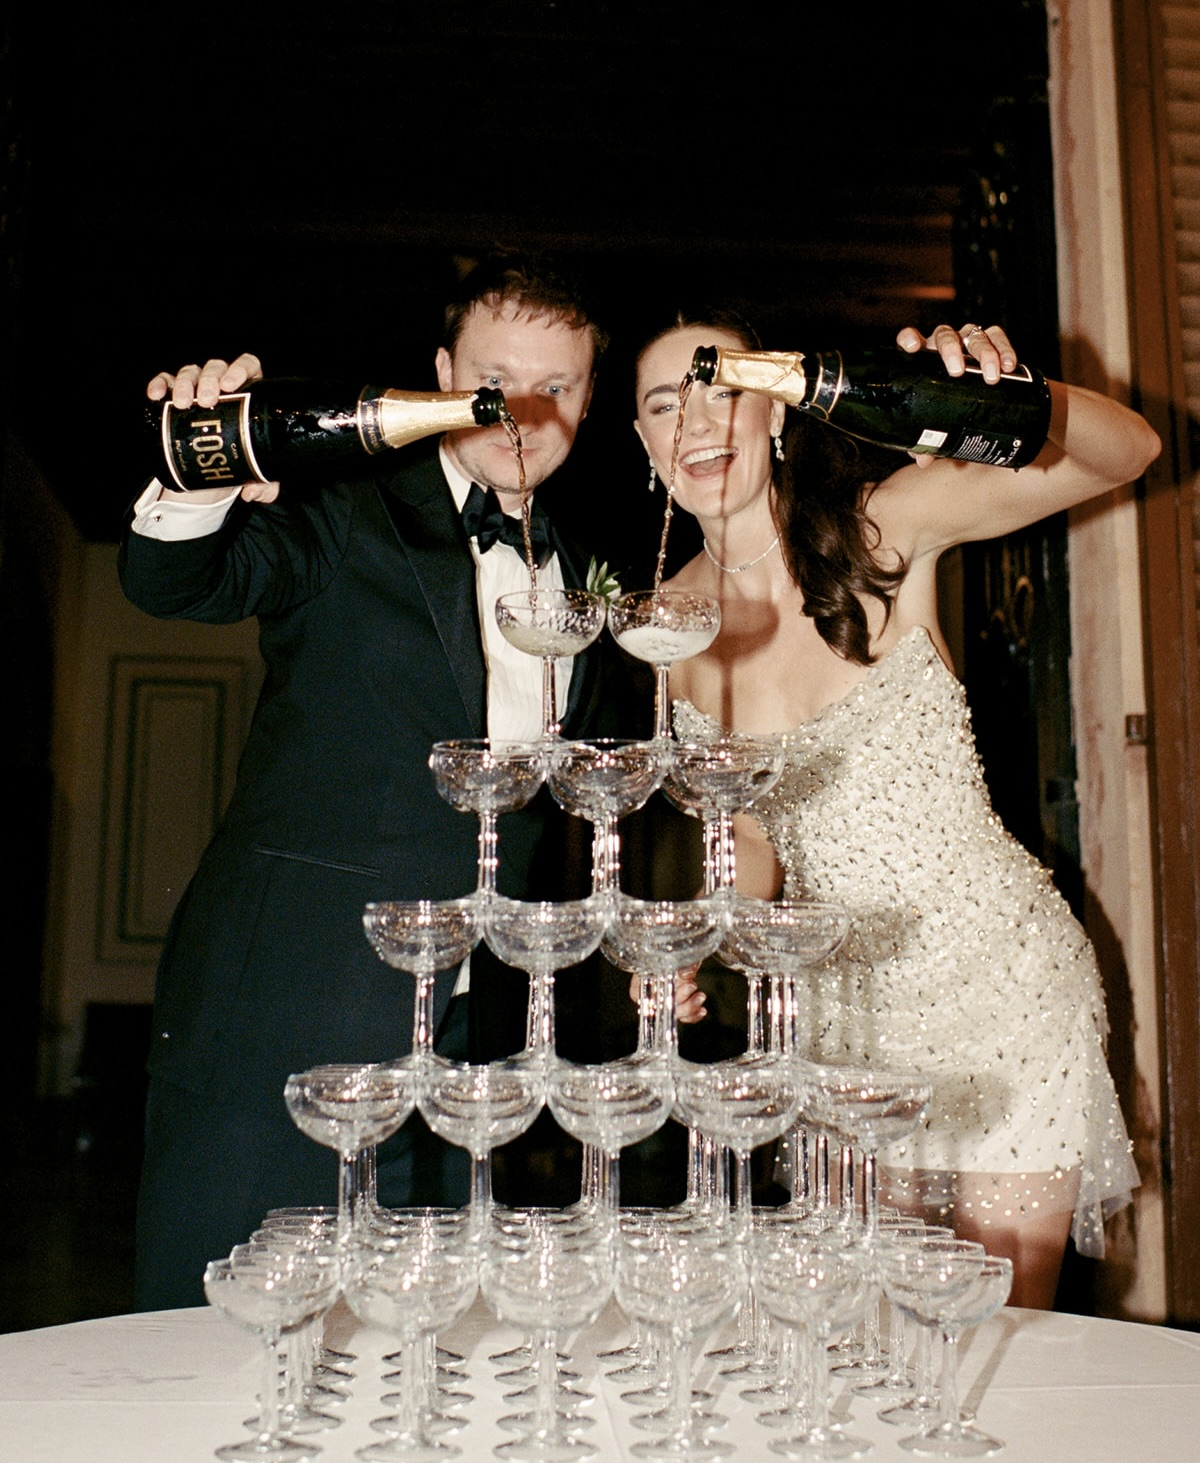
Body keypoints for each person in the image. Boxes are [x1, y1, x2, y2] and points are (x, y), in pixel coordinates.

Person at [633, 310, 1159, 1309]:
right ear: (644, 442)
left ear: (778, 408)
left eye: (724, 388)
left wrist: (1005, 394)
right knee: (870, 1343)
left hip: (1002, 997)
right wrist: (694, 938)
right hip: (845, 1028)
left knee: (993, 1334)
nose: (697, 422)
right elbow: (752, 833)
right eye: (666, 404)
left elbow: (1129, 452)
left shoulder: (882, 526)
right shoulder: (667, 624)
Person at [120, 252, 616, 1310]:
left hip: (469, 1063)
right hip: (285, 1029)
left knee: (410, 1365)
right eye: (494, 380)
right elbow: (179, 580)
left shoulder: (583, 574)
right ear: (441, 375)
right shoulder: (346, 506)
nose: (522, 413)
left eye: (557, 387)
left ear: (588, 398)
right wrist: (201, 469)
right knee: (212, 1350)